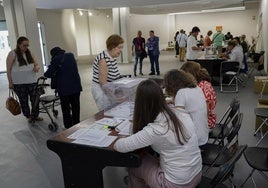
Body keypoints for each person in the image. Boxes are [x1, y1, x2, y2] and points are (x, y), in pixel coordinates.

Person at [114, 79, 202, 188]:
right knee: (148, 157)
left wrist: (127, 129)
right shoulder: (179, 112)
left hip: (175, 184)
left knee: (135, 166)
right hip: (196, 174)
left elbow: (120, 146)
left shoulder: (155, 130)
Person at [163, 69, 209, 146]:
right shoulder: (197, 88)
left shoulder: (181, 93)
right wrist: (174, 101)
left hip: (194, 141)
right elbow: (190, 104)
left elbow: (177, 120)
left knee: (162, 137)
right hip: (203, 136)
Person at [44, 47, 82, 129]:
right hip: (76, 86)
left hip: (64, 89)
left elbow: (47, 74)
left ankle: (68, 126)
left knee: (66, 108)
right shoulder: (71, 55)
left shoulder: (56, 59)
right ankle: (77, 124)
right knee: (76, 106)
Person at [6, 36, 42, 122]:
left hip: (32, 81)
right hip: (19, 83)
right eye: (24, 45)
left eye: (27, 45)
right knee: (23, 101)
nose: (26, 47)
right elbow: (8, 69)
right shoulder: (12, 54)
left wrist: (36, 67)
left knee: (35, 100)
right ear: (18, 44)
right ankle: (28, 116)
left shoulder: (30, 53)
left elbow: (37, 64)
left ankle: (35, 116)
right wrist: (10, 83)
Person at [91, 34, 123, 111]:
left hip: (109, 89)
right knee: (107, 112)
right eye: (119, 47)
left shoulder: (112, 57)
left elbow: (115, 77)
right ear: (112, 47)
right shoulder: (103, 59)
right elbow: (103, 83)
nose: (121, 50)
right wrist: (116, 97)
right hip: (101, 92)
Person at [181, 61, 217, 129]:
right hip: (203, 118)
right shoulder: (202, 83)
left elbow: (204, 113)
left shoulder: (203, 87)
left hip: (205, 123)